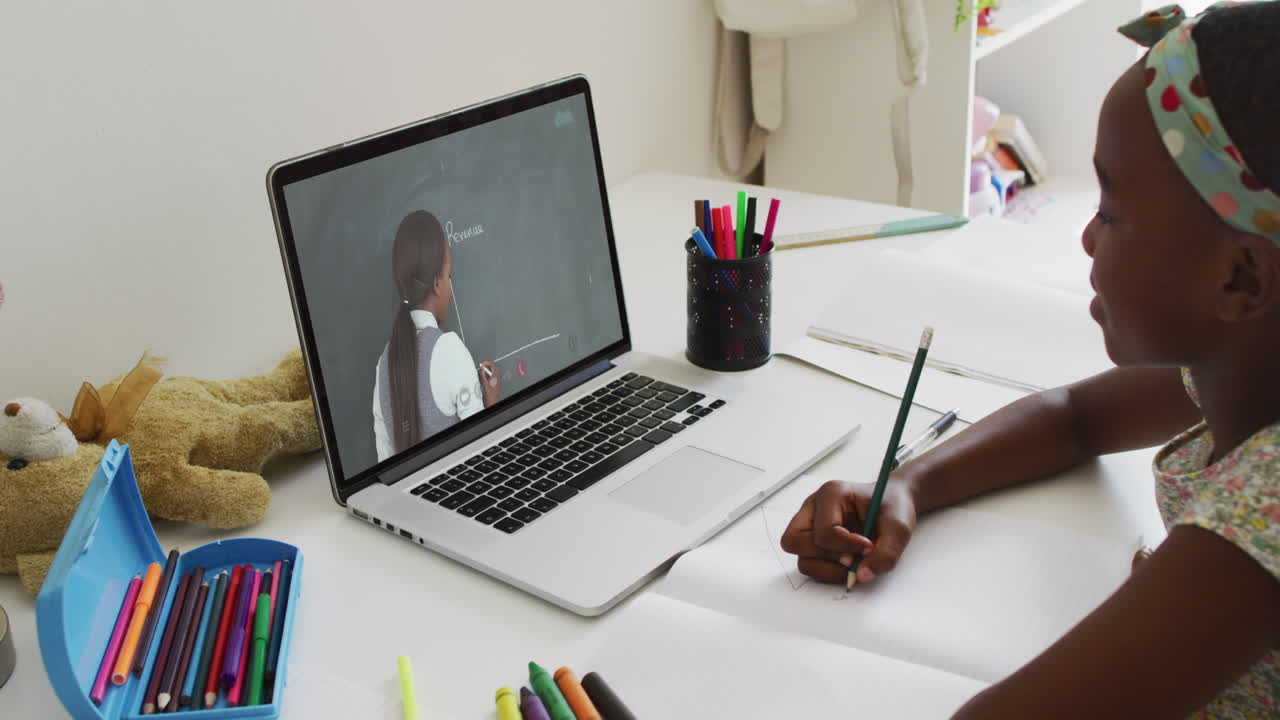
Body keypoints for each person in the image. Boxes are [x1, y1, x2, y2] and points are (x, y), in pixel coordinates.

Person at [780, 3, 1280, 717]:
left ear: (1242, 279)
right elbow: (1074, 417)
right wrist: (910, 485)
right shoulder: (1248, 360)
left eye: (1111, 211)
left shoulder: (1260, 520)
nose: (1085, 237)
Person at [372, 210, 500, 461]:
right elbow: (484, 454)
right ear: (437, 283)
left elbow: (385, 461)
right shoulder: (449, 349)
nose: (451, 287)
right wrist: (492, 403)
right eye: (449, 275)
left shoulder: (382, 366)